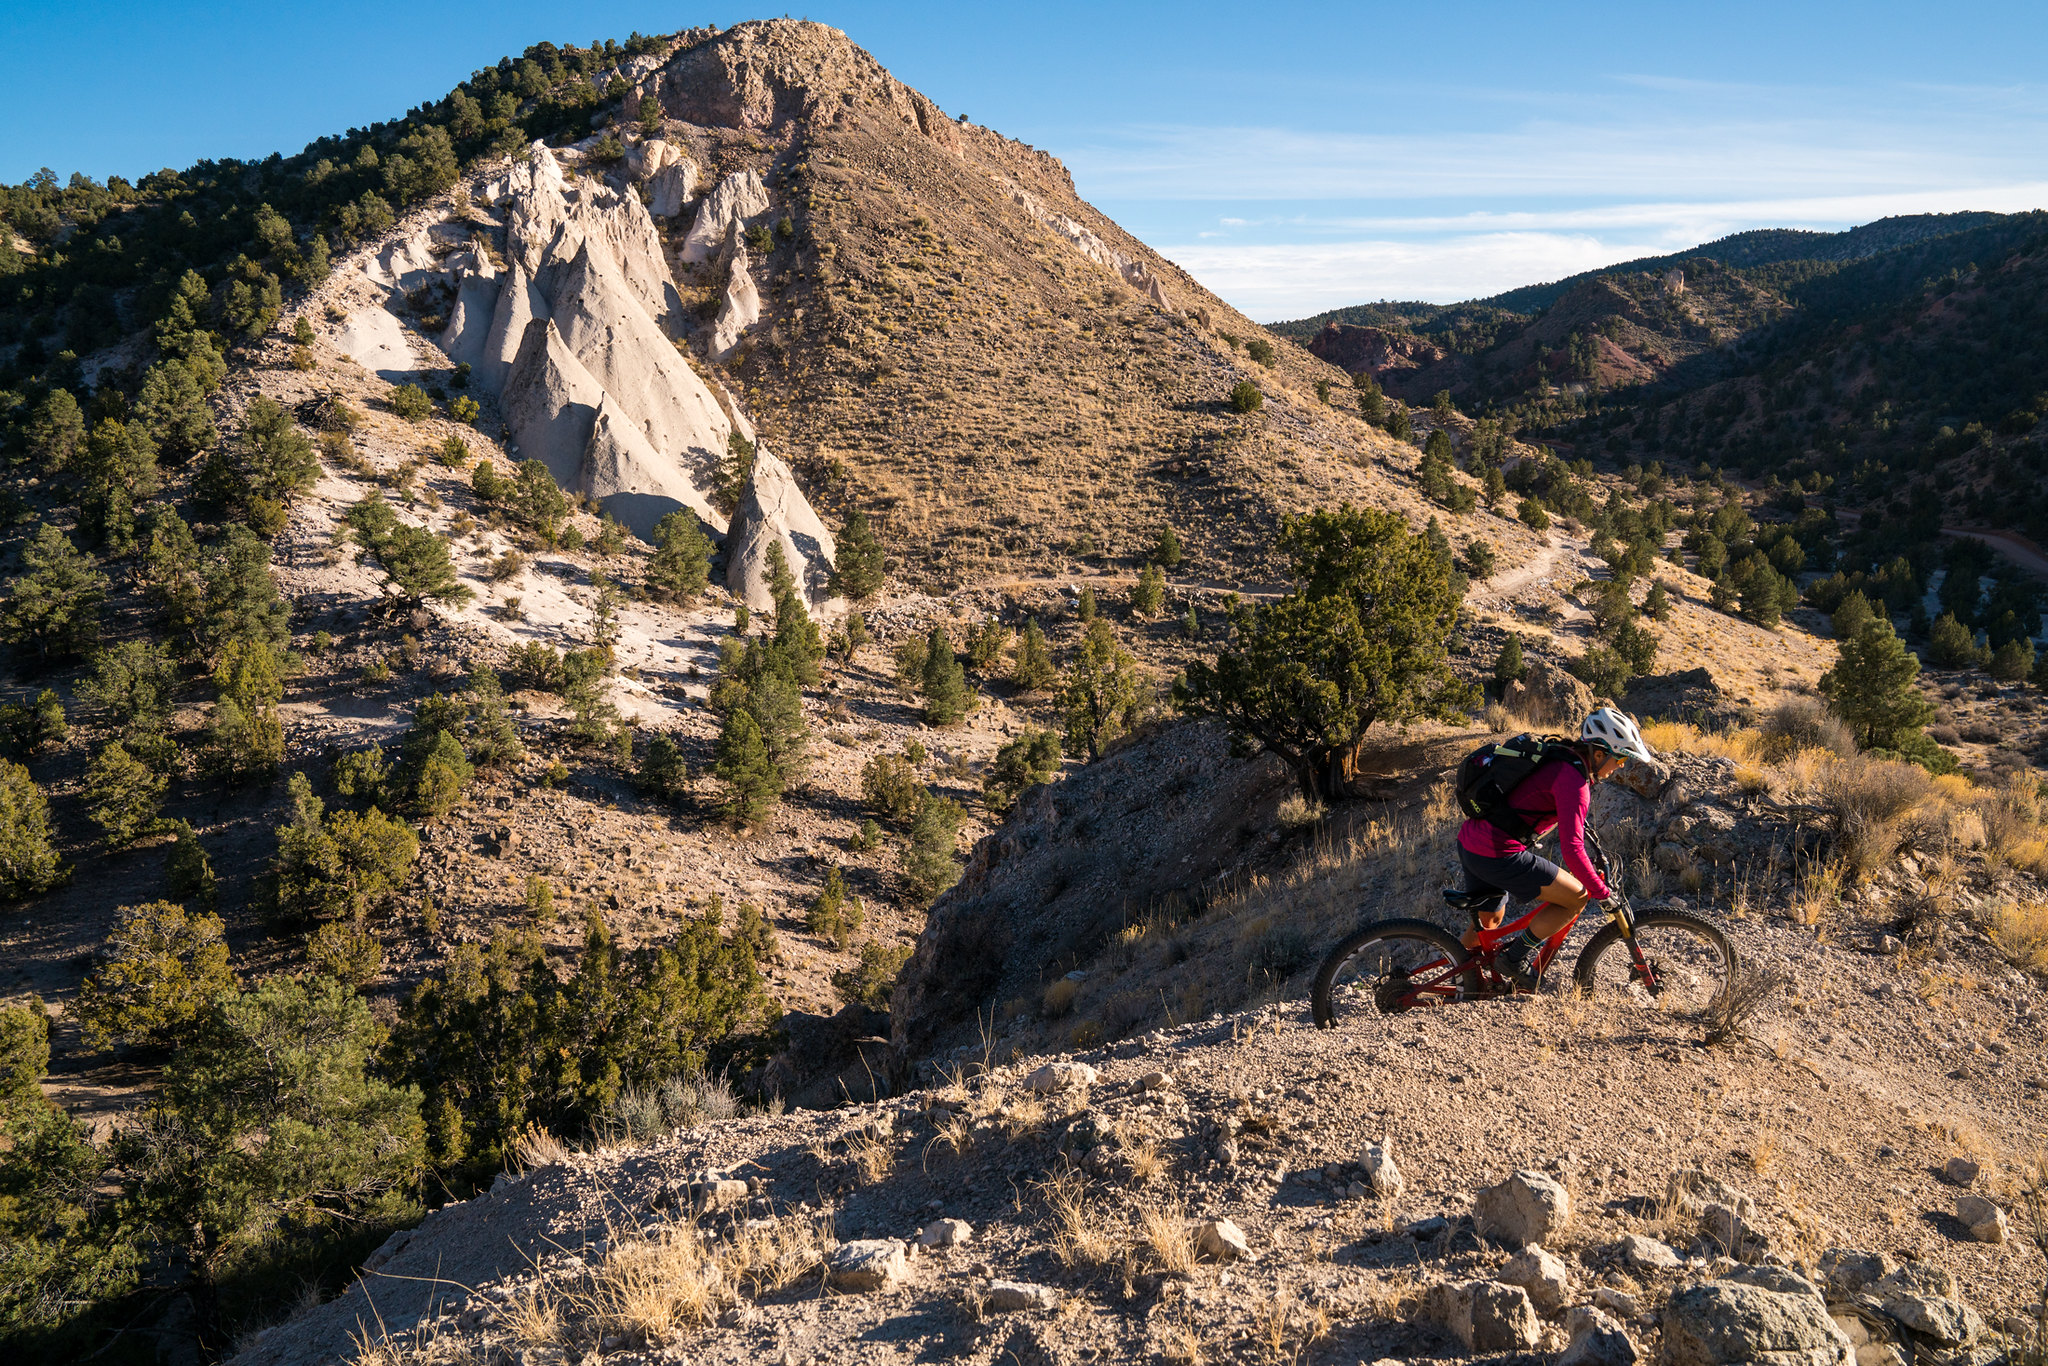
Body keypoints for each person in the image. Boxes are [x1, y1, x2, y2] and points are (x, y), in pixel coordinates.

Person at [1456, 707, 1654, 989]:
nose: (1621, 765)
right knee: (1577, 898)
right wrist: (1601, 893)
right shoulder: (1574, 781)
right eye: (1620, 757)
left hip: (1472, 842)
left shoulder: (1562, 757)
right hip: (1497, 852)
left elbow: (1566, 817)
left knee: (1489, 920)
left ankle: (1457, 982)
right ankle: (1515, 958)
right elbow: (1571, 848)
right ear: (1598, 754)